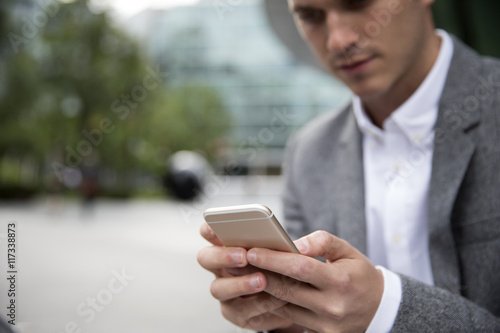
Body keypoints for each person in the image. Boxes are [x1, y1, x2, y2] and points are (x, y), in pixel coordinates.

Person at [197, 0, 500, 332]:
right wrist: (287, 314)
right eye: (311, 16)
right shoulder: (307, 153)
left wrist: (387, 309)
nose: (338, 41)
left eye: (357, 3)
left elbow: (380, 311)